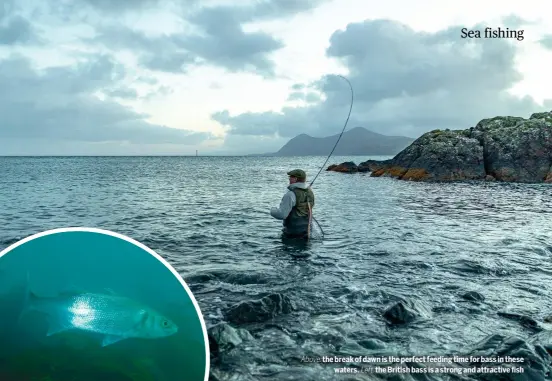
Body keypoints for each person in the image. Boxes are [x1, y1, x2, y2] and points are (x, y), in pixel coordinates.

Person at [270, 169, 315, 239]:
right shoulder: (310, 193)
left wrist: (272, 210)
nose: (289, 179)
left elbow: (282, 215)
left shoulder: (291, 194)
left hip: (292, 233)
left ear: (295, 179)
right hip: (307, 231)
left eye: (290, 177)